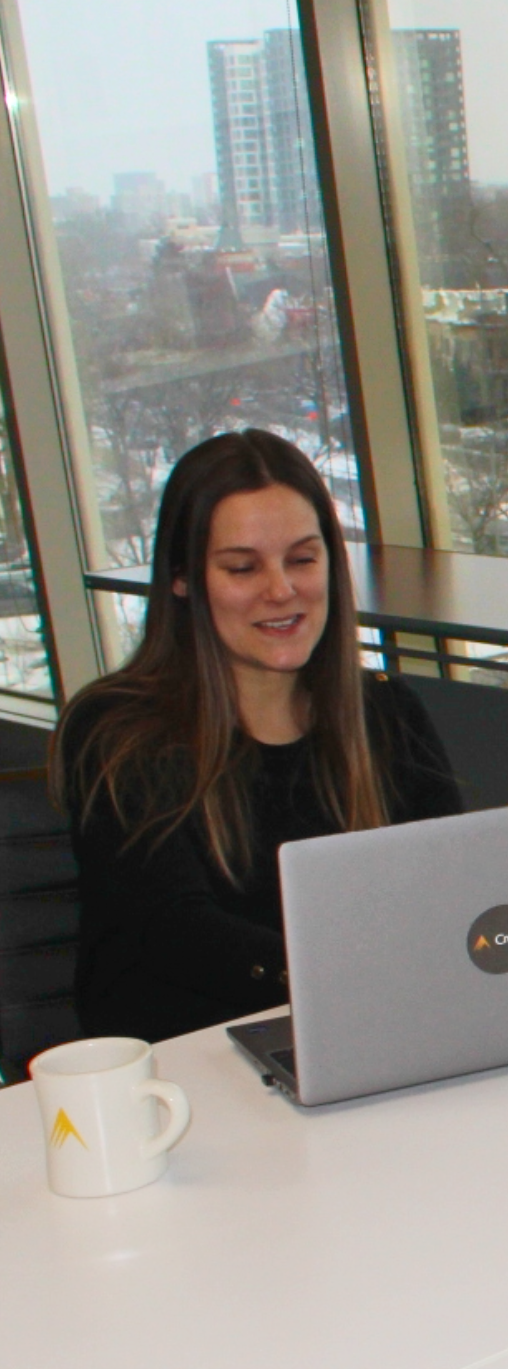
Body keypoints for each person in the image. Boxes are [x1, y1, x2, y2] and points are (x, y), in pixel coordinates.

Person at [52, 431, 461, 1043]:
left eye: (302, 559)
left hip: (365, 1026)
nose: (281, 590)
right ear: (183, 579)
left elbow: (452, 882)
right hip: (193, 1056)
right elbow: (176, 931)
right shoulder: (118, 730)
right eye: (242, 567)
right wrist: (353, 975)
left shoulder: (386, 711)